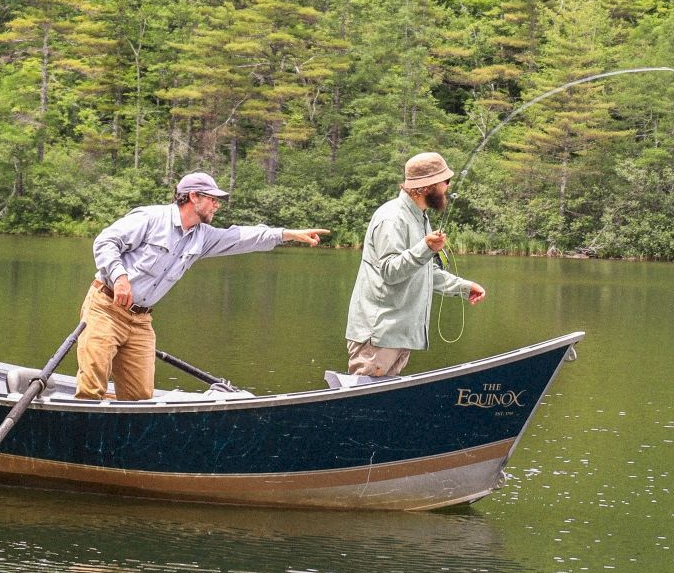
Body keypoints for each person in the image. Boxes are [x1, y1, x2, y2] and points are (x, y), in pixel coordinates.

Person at [78, 171, 330, 400]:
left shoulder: (203, 236)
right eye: (213, 199)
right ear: (194, 197)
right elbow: (105, 241)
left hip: (140, 321)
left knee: (140, 398)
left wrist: (288, 234)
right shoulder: (151, 218)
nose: (217, 205)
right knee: (91, 388)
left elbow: (243, 236)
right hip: (106, 308)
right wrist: (120, 277)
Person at [345, 151, 486, 379]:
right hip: (378, 335)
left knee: (379, 406)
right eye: (445, 181)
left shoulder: (419, 217)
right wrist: (426, 248)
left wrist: (463, 287)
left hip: (399, 334)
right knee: (362, 406)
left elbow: (424, 270)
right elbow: (390, 271)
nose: (447, 187)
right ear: (426, 187)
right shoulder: (392, 218)